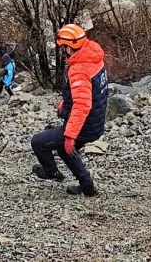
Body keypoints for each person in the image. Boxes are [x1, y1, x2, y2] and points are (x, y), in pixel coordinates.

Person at [30, 24, 108, 197]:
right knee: (66, 150)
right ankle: (88, 186)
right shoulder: (94, 58)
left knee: (38, 142)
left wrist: (70, 136)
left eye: (62, 47)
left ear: (68, 47)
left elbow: (82, 105)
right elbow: (88, 92)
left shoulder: (79, 69)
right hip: (97, 122)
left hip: (84, 125)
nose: (61, 51)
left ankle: (51, 173)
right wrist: (65, 102)